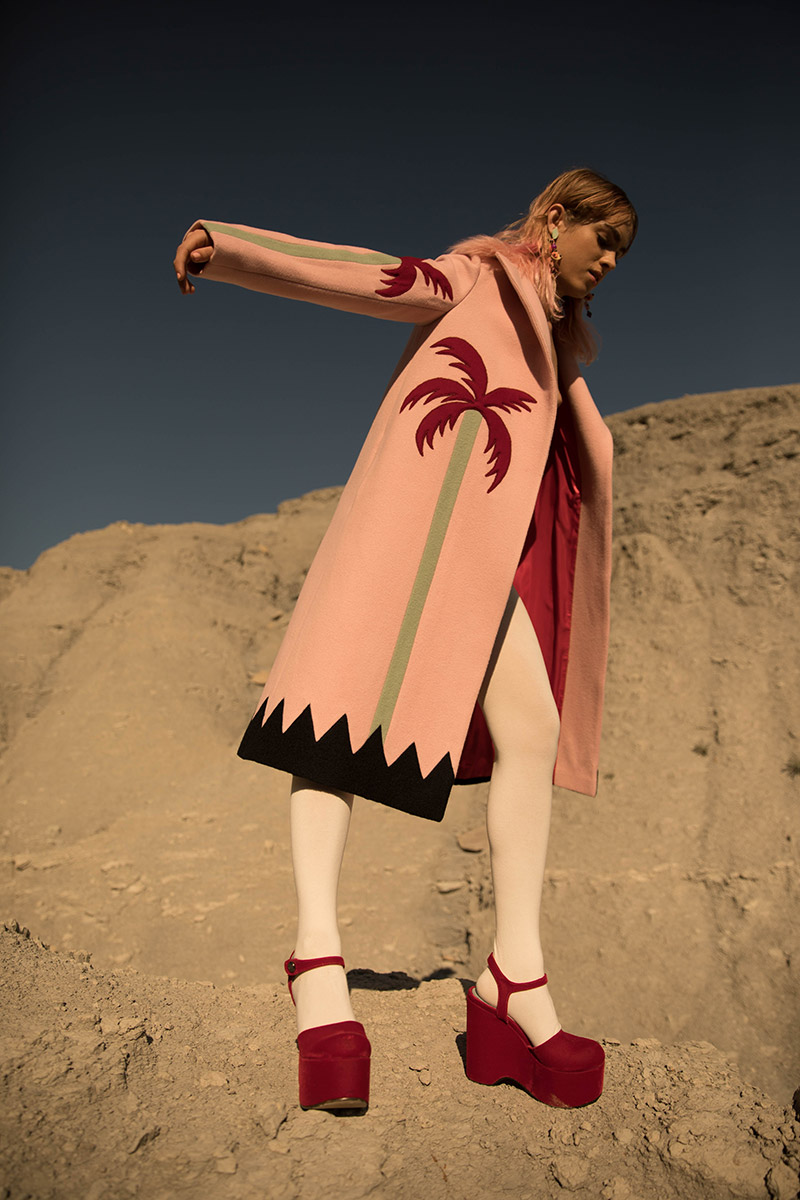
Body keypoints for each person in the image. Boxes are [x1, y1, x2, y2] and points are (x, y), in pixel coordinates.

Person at [173, 168, 637, 1112]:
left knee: (533, 729)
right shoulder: (479, 278)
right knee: (329, 721)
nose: (613, 262)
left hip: (482, 565)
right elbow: (375, 276)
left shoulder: (560, 347)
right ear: (557, 220)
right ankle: (317, 962)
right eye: (607, 240)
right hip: (408, 532)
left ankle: (514, 975)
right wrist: (232, 248)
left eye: (624, 251)